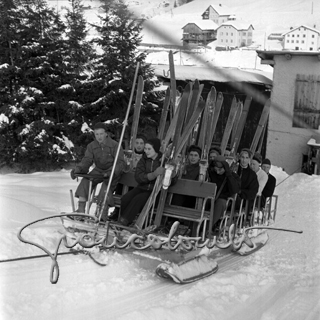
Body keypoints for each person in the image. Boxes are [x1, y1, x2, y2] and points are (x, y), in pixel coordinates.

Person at [70, 122, 125, 217]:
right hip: (99, 170)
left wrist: (110, 172)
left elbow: (120, 163)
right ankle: (81, 210)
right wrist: (78, 169)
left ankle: (102, 214)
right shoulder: (92, 146)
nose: (99, 137)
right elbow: (87, 160)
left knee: (105, 189)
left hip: (112, 172)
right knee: (86, 181)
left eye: (101, 134)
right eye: (97, 134)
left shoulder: (115, 145)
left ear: (106, 133)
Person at [119, 138, 165, 226]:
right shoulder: (143, 160)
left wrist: (171, 172)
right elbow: (139, 176)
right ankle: (124, 219)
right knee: (126, 198)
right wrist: (153, 174)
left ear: (155, 149)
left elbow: (170, 179)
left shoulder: (162, 161)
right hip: (142, 187)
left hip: (154, 191)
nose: (146, 151)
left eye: (149, 149)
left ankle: (125, 221)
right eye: (145, 149)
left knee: (138, 199)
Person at [207, 155, 241, 227]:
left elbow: (235, 190)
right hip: (209, 196)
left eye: (221, 168)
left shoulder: (232, 176)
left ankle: (208, 227)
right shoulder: (210, 173)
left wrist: (228, 174)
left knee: (220, 203)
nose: (218, 171)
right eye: (216, 167)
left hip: (223, 199)